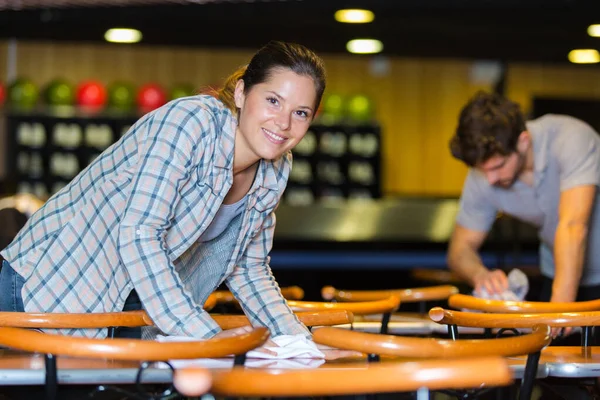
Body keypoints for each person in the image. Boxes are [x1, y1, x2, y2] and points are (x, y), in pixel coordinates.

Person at [0, 41, 326, 343]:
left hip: (130, 303)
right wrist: (204, 337)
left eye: (300, 113)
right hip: (51, 282)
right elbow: (141, 232)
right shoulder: (190, 122)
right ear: (241, 93)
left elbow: (249, 269)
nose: (283, 123)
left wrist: (301, 345)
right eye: (273, 100)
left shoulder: (276, 167)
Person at [447, 91, 600, 312]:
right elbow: (460, 249)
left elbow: (572, 226)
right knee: (552, 346)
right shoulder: (484, 172)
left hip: (568, 286)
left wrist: (559, 311)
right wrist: (480, 274)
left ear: (523, 141)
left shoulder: (571, 139)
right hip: (558, 275)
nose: (490, 179)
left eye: (498, 167)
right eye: (483, 171)